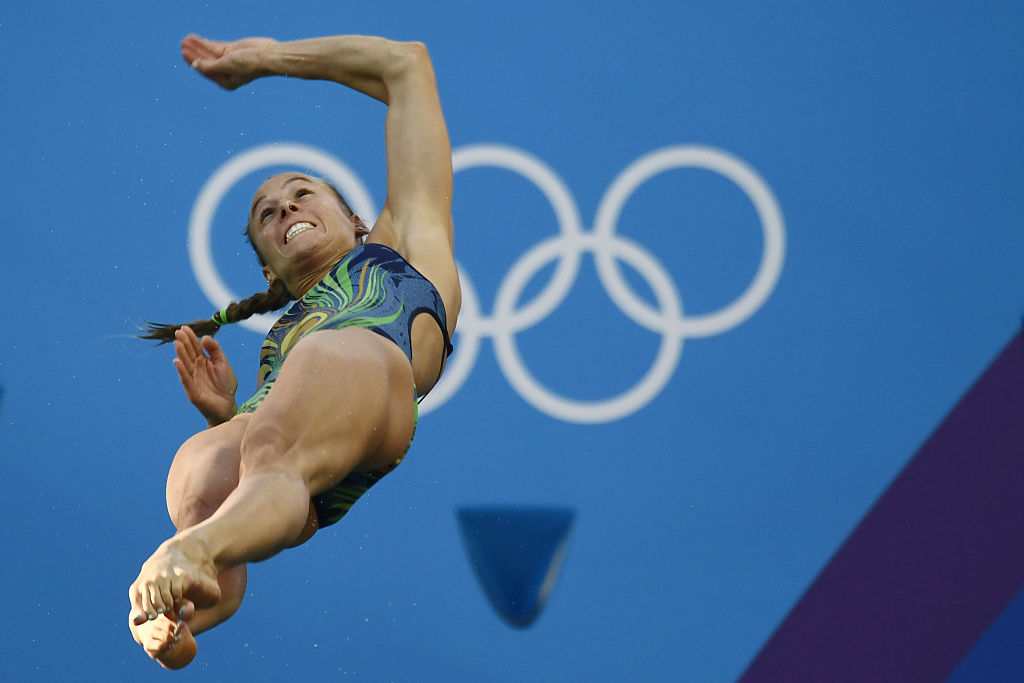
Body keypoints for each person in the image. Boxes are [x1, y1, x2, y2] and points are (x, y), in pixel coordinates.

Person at [128, 33, 460, 669]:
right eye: (267, 214)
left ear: (356, 220)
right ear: (271, 275)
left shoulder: (405, 238)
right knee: (206, 464)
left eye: (302, 193)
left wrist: (263, 60)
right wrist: (225, 415)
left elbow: (407, 64)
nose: (286, 209)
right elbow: (272, 455)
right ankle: (179, 617)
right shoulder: (285, 346)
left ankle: (194, 552)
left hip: (378, 376)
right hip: (319, 459)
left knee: (286, 416)